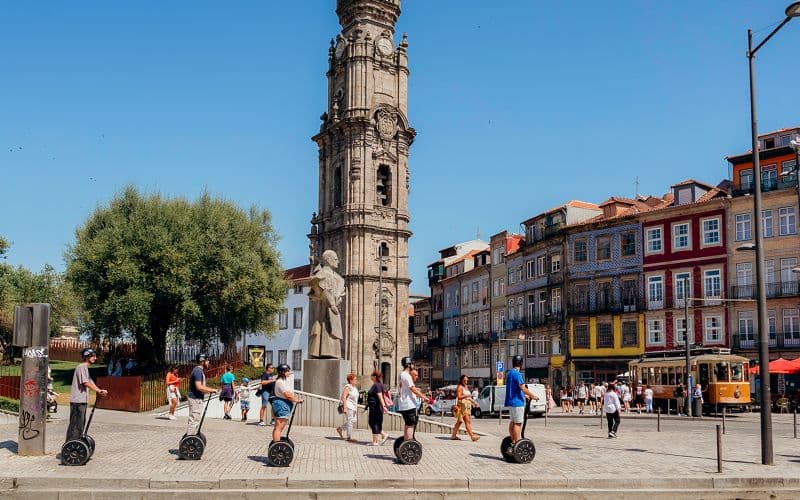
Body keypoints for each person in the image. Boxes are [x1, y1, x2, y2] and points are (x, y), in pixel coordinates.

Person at [65, 348, 108, 445]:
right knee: (76, 425)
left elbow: (90, 381)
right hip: (77, 401)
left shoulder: (85, 368)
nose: (95, 358)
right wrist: (98, 390)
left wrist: (99, 390)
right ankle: (70, 446)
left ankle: (77, 444)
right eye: (93, 356)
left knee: (80, 425)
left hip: (81, 401)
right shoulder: (82, 367)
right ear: (87, 356)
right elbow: (85, 382)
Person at [504, 355, 538, 453]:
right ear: (521, 363)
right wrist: (533, 395)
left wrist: (525, 396)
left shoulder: (509, 373)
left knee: (513, 422)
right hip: (517, 403)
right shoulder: (518, 374)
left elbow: (515, 389)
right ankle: (516, 443)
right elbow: (523, 388)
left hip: (510, 401)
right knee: (518, 423)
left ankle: (513, 441)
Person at [271, 364, 303, 444]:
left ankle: (276, 444)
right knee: (279, 428)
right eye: (287, 371)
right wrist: (296, 400)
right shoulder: (280, 382)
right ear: (283, 372)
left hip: (281, 404)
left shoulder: (282, 381)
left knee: (277, 428)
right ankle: (277, 447)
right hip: (282, 405)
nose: (289, 372)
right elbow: (287, 394)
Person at [397, 357, 426, 441]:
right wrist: (423, 396)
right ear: (409, 364)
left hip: (403, 404)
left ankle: (406, 442)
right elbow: (412, 388)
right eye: (412, 364)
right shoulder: (406, 375)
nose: (413, 365)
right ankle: (409, 443)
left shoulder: (401, 375)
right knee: (411, 425)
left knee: (407, 424)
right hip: (409, 404)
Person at [187, 353, 217, 436]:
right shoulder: (197, 371)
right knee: (194, 419)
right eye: (207, 360)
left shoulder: (199, 371)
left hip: (197, 398)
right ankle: (190, 440)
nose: (208, 362)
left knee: (196, 419)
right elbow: (199, 387)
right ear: (202, 361)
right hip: (195, 399)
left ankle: (193, 437)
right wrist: (212, 390)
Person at [450, 374, 480, 441]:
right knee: (467, 421)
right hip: (462, 406)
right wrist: (466, 396)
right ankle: (472, 436)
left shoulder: (466, 387)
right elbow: (459, 397)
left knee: (459, 422)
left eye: (467, 380)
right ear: (461, 380)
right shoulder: (460, 387)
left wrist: (474, 402)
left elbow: (468, 397)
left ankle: (453, 435)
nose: (466, 382)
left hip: (467, 406)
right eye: (464, 380)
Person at [366, 370, 389, 446]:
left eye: (372, 375)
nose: (371, 376)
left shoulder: (376, 385)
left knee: (373, 423)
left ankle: (376, 441)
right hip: (375, 407)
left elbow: (380, 397)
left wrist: (384, 406)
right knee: (374, 423)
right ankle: (382, 436)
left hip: (376, 407)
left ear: (375, 377)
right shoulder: (379, 384)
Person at [336, 373, 359, 441]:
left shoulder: (354, 388)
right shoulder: (348, 387)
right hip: (349, 406)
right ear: (350, 380)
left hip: (354, 407)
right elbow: (344, 397)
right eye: (355, 379)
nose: (356, 380)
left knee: (353, 420)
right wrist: (345, 407)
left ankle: (340, 429)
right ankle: (349, 437)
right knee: (350, 421)